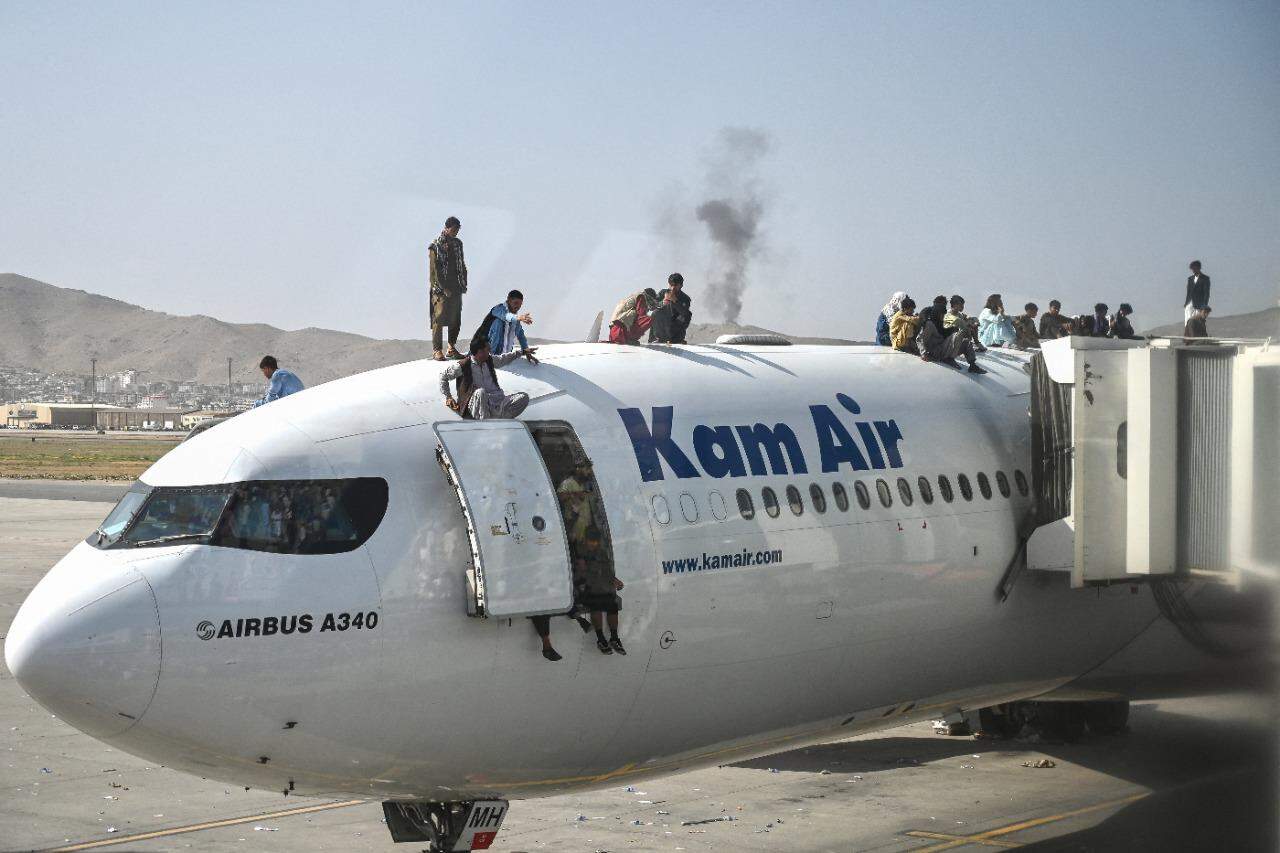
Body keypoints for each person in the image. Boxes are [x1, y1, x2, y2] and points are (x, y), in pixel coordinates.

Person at [439, 338, 538, 420]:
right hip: (477, 405)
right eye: (488, 350)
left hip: (496, 402)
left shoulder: (489, 360)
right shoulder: (463, 365)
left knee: (523, 397)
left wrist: (522, 352)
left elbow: (504, 358)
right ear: (480, 352)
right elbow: (443, 376)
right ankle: (485, 424)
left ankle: (499, 419)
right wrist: (448, 397)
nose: (490, 352)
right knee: (481, 392)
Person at [429, 216, 468, 361]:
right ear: (447, 228)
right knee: (438, 318)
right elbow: (434, 269)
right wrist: (443, 287)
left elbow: (461, 263)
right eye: (454, 229)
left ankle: (451, 348)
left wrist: (464, 282)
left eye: (458, 229)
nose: (456, 232)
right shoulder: (435, 244)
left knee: (455, 318)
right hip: (440, 289)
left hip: (456, 286)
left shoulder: (458, 244)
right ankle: (437, 350)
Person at [917, 295, 986, 373]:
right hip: (935, 352)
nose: (943, 316)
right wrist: (923, 353)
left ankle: (972, 365)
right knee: (960, 333)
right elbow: (920, 339)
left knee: (966, 342)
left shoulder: (942, 323)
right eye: (941, 314)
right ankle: (949, 358)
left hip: (944, 349)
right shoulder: (930, 324)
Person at [483, 290, 533, 355]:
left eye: (520, 304)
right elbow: (505, 316)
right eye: (516, 303)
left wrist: (527, 352)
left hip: (503, 359)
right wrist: (518, 318)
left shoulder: (516, 322)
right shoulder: (498, 309)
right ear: (509, 300)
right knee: (499, 321)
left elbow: (521, 337)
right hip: (486, 356)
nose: (518, 307)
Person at [648, 273, 693, 344]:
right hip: (661, 329)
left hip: (674, 330)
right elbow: (651, 307)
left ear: (681, 285)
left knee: (687, 315)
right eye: (671, 285)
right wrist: (661, 303)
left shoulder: (685, 298)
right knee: (656, 312)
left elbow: (685, 314)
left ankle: (677, 339)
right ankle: (655, 339)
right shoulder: (663, 293)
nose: (673, 288)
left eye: (675, 285)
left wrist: (675, 301)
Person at [1184, 260, 1210, 324]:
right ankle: (1187, 334)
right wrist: (1186, 303)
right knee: (1187, 321)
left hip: (1199, 304)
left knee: (1198, 322)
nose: (1193, 270)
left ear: (1198, 268)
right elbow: (1188, 292)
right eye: (1192, 269)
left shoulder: (1205, 278)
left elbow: (1206, 293)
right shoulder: (1190, 279)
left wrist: (1204, 305)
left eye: (1194, 269)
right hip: (1189, 304)